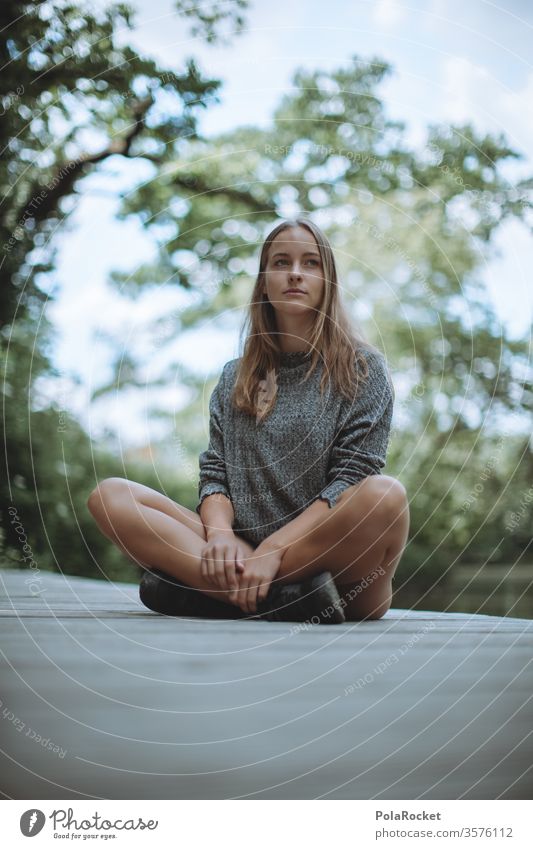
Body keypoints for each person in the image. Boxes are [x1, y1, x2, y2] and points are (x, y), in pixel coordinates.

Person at [87, 218, 410, 623]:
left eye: (310, 263)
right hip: (242, 551)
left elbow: (350, 481)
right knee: (111, 496)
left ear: (328, 281)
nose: (295, 272)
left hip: (338, 573)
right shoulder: (234, 376)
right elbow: (216, 473)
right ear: (263, 282)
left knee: (385, 495)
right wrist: (220, 535)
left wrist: (274, 550)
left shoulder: (364, 369)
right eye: (281, 262)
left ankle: (211, 593)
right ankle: (281, 600)